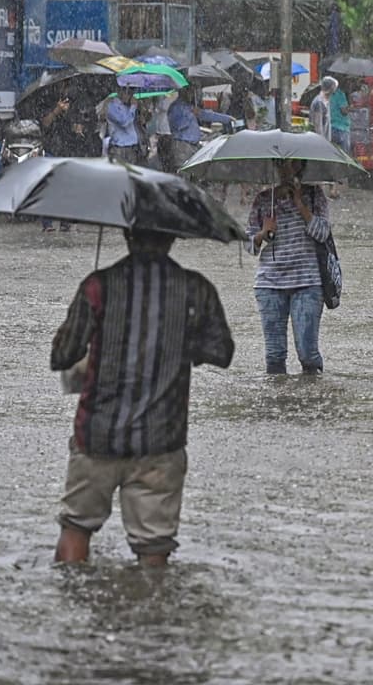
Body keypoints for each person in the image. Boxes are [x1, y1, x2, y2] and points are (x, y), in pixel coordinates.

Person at [49, 228, 234, 567]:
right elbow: (222, 352)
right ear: (173, 237)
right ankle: (150, 600)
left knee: (76, 527)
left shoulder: (98, 286)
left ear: (127, 234)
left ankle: (69, 599)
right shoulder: (196, 289)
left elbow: (62, 355)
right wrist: (177, 343)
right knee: (154, 547)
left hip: (97, 435)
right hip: (161, 441)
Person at [246, 160, 332, 374]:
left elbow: (323, 234)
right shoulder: (264, 199)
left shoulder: (315, 195)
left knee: (308, 353)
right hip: (269, 284)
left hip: (308, 282)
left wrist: (300, 204)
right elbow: (248, 245)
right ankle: (279, 394)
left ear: (301, 166)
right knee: (274, 356)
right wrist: (263, 233)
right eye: (283, 164)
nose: (288, 169)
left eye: (294, 164)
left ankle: (313, 392)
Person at [38, 85, 91, 231]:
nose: (66, 90)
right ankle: (47, 223)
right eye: (64, 86)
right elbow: (45, 123)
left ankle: (65, 221)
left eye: (68, 86)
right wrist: (57, 110)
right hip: (51, 150)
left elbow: (76, 126)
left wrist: (78, 129)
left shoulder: (73, 106)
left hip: (68, 150)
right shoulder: (47, 101)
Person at [168, 86, 234, 169]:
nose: (193, 95)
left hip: (193, 145)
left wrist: (226, 119)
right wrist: (190, 114)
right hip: (182, 145)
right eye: (191, 92)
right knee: (183, 170)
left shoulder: (188, 106)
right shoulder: (176, 107)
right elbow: (178, 126)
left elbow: (205, 115)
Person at [104, 87, 144, 165]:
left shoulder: (128, 106)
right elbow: (124, 122)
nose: (130, 96)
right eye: (128, 93)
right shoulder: (112, 105)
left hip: (132, 148)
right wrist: (133, 107)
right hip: (119, 148)